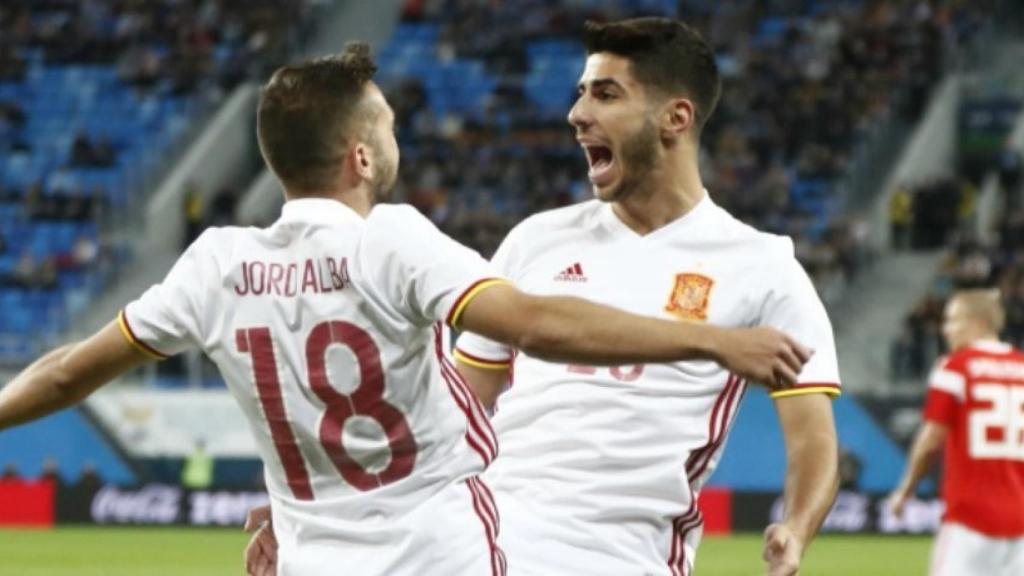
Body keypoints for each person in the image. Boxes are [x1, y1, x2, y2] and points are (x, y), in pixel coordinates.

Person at [0, 43, 809, 576]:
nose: (395, 136)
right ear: (361, 156)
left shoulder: (217, 265)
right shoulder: (392, 241)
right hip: (439, 555)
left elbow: (66, 373)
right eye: (386, 125)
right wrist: (711, 341)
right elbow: (536, 325)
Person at [245, 18, 840, 576]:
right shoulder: (536, 241)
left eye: (606, 94)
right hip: (483, 546)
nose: (577, 114)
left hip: (618, 557)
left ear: (675, 118)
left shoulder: (762, 266)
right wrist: (329, 495)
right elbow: (453, 414)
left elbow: (813, 438)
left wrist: (796, 527)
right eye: (581, 93)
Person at [889, 289, 1024, 576]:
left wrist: (906, 489)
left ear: (980, 323)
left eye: (953, 320)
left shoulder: (955, 368)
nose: (946, 329)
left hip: (970, 519)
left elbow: (930, 441)